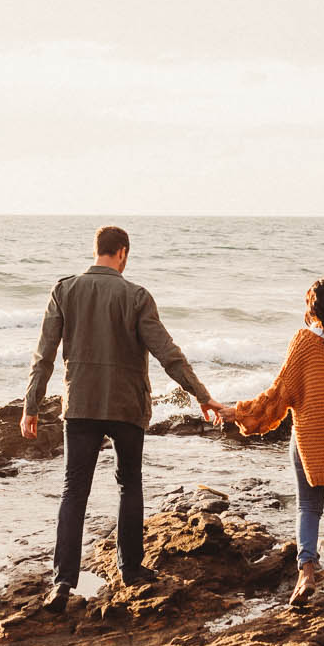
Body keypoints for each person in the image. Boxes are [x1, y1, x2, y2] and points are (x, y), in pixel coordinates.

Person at [23, 225, 221, 610]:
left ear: (97, 250)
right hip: (127, 408)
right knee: (129, 484)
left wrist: (31, 405)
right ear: (123, 252)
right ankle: (130, 569)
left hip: (80, 405)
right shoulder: (136, 296)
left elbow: (43, 354)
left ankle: (63, 582)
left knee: (73, 491)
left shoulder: (64, 290)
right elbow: (168, 354)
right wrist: (203, 395)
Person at [217, 278, 324, 605]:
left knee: (309, 507)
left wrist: (240, 412)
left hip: (312, 441)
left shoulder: (305, 342)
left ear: (313, 308)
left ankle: (307, 573)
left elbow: (280, 394)